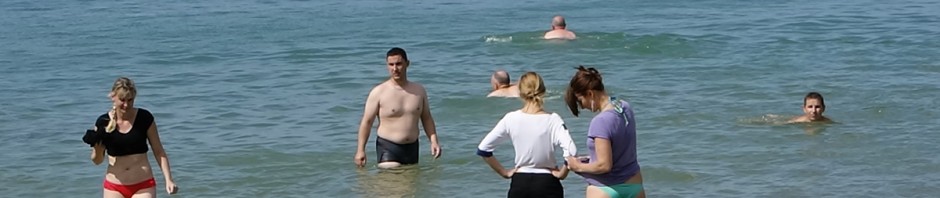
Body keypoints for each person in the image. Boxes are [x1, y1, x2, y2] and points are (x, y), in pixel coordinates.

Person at [477, 72, 578, 198]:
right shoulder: (553, 119)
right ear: (543, 91)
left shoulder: (511, 118)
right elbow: (571, 150)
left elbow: (483, 149)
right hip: (547, 183)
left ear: (521, 93)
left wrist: (505, 173)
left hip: (520, 183)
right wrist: (562, 173)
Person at [82, 77, 178, 198]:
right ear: (113, 97)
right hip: (114, 186)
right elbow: (97, 161)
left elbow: (159, 151)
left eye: (130, 100)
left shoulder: (144, 118)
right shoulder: (103, 122)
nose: (126, 105)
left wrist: (168, 179)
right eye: (122, 100)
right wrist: (98, 148)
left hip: (143, 185)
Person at [563, 66, 645, 198]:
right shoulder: (624, 107)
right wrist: (590, 159)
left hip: (605, 190)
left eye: (580, 101)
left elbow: (604, 165)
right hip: (634, 185)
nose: (582, 106)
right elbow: (620, 150)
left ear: (590, 94)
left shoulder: (600, 121)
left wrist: (576, 166)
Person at [354, 47, 442, 169]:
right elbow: (367, 122)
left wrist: (434, 141)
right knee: (393, 182)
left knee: (410, 185)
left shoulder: (419, 91)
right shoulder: (378, 92)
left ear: (408, 64)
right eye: (391, 65)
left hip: (412, 147)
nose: (395, 69)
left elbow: (426, 118)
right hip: (388, 146)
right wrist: (360, 150)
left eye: (399, 64)